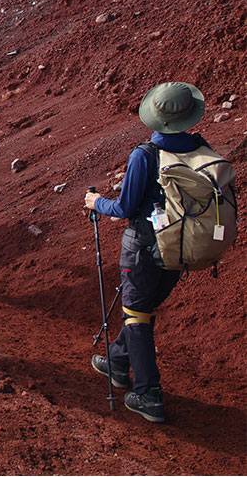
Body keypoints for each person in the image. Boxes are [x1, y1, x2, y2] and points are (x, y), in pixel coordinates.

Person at [85, 82, 211, 424]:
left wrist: (97, 203)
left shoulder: (145, 155)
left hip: (143, 246)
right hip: (182, 248)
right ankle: (116, 361)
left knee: (137, 314)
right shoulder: (202, 149)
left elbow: (126, 206)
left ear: (154, 117)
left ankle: (148, 393)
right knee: (143, 308)